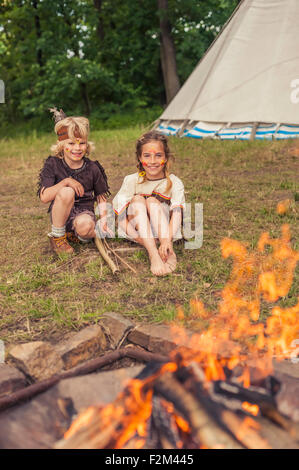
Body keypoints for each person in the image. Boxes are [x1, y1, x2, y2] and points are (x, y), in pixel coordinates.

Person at [37, 108, 110, 254]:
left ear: (87, 144)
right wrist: (66, 182)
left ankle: (77, 236)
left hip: (84, 213)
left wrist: (104, 220)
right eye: (71, 143)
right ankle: (58, 237)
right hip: (61, 213)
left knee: (86, 227)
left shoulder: (93, 168)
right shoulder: (53, 164)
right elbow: (44, 197)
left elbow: (101, 197)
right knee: (66, 191)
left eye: (81, 143)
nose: (77, 148)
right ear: (62, 145)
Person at [113, 131, 185, 276]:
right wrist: (138, 238)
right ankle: (153, 254)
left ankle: (167, 249)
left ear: (166, 157)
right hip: (139, 232)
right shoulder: (131, 180)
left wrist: (166, 240)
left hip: (164, 232)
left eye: (158, 155)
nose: (152, 161)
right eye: (147, 155)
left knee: (152, 201)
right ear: (139, 158)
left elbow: (177, 215)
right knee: (138, 200)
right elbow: (120, 217)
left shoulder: (174, 182)